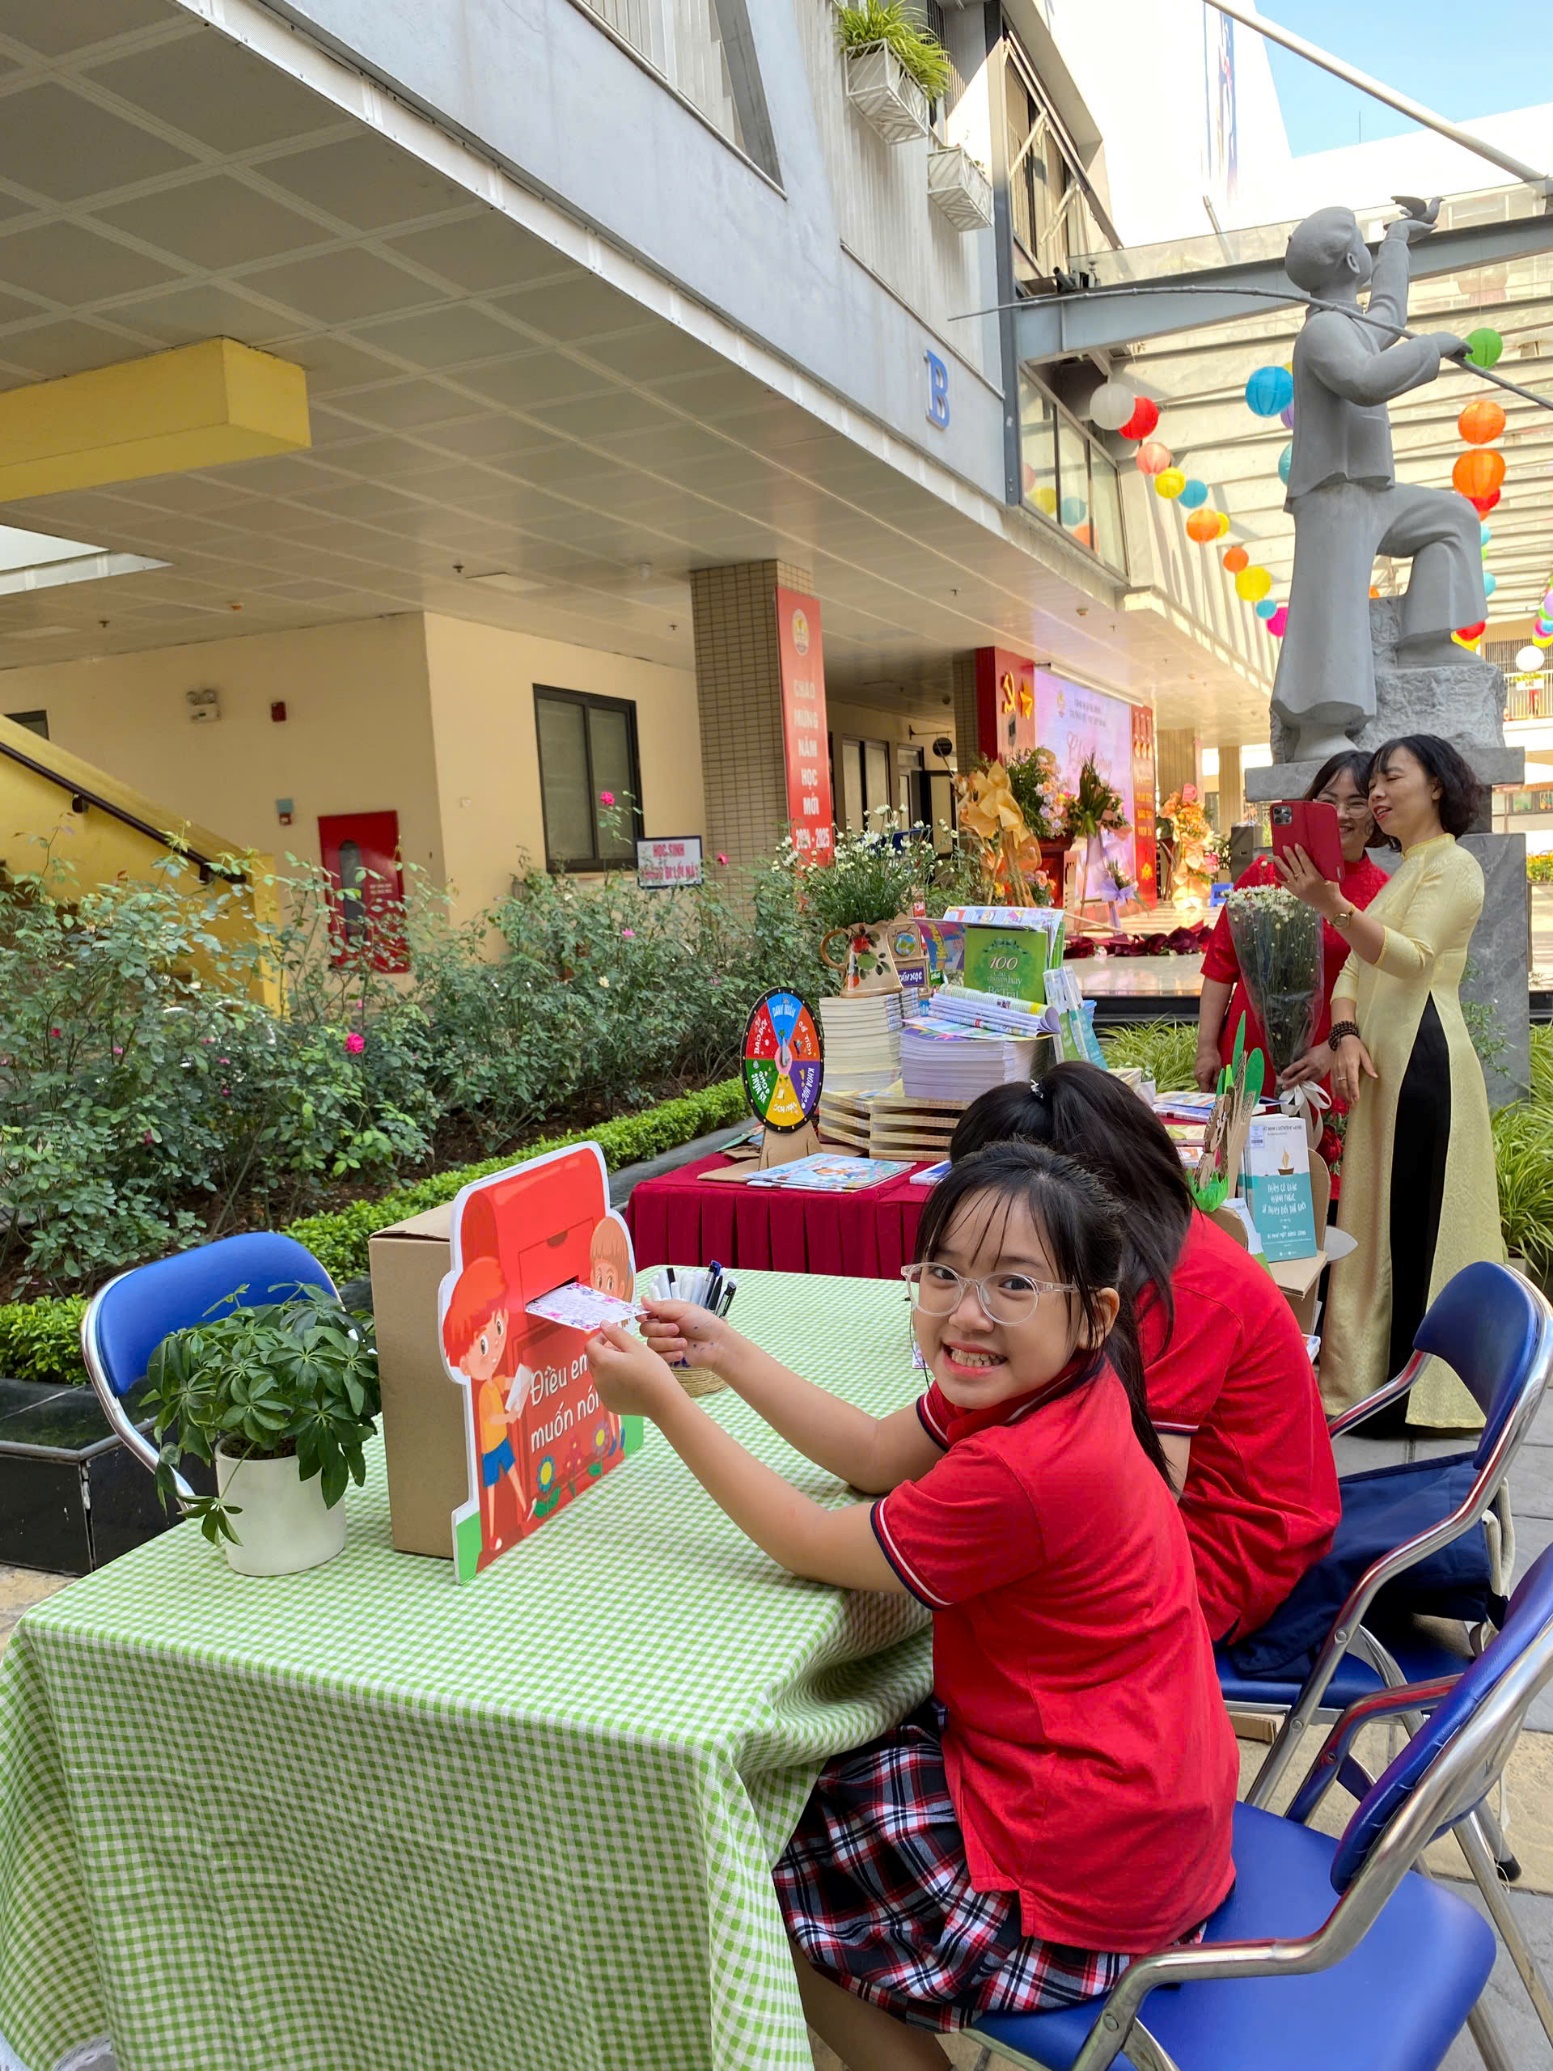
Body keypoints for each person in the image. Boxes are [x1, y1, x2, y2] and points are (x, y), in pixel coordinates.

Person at [586, 1145, 1237, 2067]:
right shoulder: (1049, 1383)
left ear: (1093, 1315)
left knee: (737, 1880)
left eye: (1012, 1283)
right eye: (942, 1272)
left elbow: (811, 1543)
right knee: (790, 1790)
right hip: (1136, 1801)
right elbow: (872, 1452)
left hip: (1083, 1871)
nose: (965, 1313)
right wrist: (720, 1349)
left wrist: (663, 1402)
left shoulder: (1022, 1470)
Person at [950, 1067, 1339, 1645]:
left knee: (969, 1603)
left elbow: (1140, 1505)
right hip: (1202, 1526)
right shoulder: (1152, 1256)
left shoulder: (1179, 1294)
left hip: (1217, 1562)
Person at [1275, 734, 1502, 1428]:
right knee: (1375, 1220)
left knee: (1412, 1220)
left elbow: (1410, 959)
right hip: (1382, 1063)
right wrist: (1343, 1033)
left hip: (1424, 1059)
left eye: (1388, 778)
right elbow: (1353, 972)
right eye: (1370, 782)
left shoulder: (1455, 867)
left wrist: (1331, 904)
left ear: (1435, 785)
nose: (1374, 794)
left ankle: (1413, 1393)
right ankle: (1369, 1376)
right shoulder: (1403, 869)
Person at [1274, 200, 1481, 761]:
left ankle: (1426, 640)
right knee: (1333, 601)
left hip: (1371, 488)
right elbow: (1365, 382)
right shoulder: (1322, 334)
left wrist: (1397, 243)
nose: (1366, 253)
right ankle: (1319, 727)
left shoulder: (1351, 323)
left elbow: (1387, 312)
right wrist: (1432, 345)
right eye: (1363, 245)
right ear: (1346, 259)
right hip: (1333, 493)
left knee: (1452, 518)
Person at [1195, 752, 1391, 1156]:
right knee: (1242, 1174)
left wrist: (1331, 1049)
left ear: (1375, 812)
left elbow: (1384, 995)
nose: (1340, 814)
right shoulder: (1268, 874)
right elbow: (1220, 965)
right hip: (1250, 1056)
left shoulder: (1385, 893)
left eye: (1356, 801)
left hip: (1329, 1067)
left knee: (1315, 1186)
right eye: (1327, 800)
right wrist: (1207, 1046)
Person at [440, 1256, 524, 1554]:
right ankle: (488, 1533)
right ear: (463, 1361)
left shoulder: (489, 1383)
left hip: (500, 1444)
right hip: (489, 1448)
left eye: (499, 1326)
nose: (495, 1347)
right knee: (487, 1491)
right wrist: (510, 1415)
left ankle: (525, 1507)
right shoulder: (479, 1393)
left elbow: (500, 1383)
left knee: (514, 1476)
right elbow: (491, 1417)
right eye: (483, 1345)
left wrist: (515, 1380)